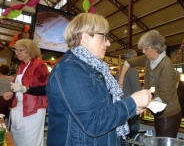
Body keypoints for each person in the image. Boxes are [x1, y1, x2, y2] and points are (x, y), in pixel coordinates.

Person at [45, 13, 152, 146]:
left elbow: (100, 110)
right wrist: (131, 103)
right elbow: (93, 122)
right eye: (104, 36)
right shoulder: (70, 69)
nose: (108, 43)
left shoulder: (95, 69)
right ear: (85, 37)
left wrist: (131, 109)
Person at [118, 30, 181, 138]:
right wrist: (121, 80)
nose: (143, 51)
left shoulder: (166, 65)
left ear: (156, 48)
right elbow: (128, 62)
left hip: (169, 114)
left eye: (146, 49)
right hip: (158, 112)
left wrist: (141, 103)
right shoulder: (148, 59)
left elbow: (164, 97)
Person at [3, 39, 49, 146]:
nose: (17, 53)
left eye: (20, 50)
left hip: (33, 110)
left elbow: (46, 88)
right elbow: (17, 86)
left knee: (30, 140)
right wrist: (11, 93)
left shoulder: (39, 65)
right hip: (18, 108)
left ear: (30, 50)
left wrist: (25, 89)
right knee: (16, 138)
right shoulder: (21, 66)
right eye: (16, 50)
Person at [115, 49, 142, 144]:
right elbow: (137, 90)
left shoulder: (119, 70)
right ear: (134, 58)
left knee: (123, 136)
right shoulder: (132, 70)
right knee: (134, 136)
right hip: (132, 106)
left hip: (121, 105)